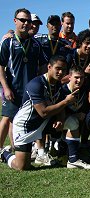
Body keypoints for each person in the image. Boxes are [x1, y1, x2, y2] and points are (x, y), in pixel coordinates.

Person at [0, 55, 78, 170]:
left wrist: (60, 120)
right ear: (49, 67)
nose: (61, 72)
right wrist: (66, 101)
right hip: (26, 125)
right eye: (58, 68)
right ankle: (4, 153)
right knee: (21, 166)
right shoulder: (36, 84)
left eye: (64, 70)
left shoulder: (58, 86)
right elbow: (43, 112)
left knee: (73, 122)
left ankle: (73, 158)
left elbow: (60, 107)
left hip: (43, 123)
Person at [0, 8, 46, 152]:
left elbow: (43, 66)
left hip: (30, 91)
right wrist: (6, 87)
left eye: (28, 21)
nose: (26, 23)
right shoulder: (8, 42)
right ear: (15, 21)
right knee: (8, 118)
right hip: (13, 88)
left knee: (23, 119)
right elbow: (0, 66)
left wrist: (39, 84)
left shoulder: (36, 44)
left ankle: (17, 148)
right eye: (22, 20)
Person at [61, 66, 90, 169]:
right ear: (69, 77)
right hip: (58, 120)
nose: (79, 80)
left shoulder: (83, 89)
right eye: (76, 77)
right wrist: (73, 115)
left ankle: (76, 152)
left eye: (82, 78)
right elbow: (58, 111)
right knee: (73, 121)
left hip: (75, 121)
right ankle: (73, 159)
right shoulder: (62, 90)